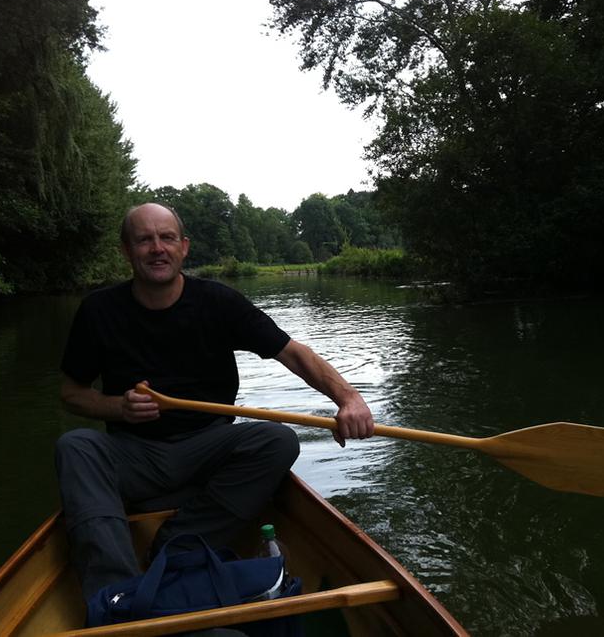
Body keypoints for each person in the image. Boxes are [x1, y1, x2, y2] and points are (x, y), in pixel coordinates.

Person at [56, 201, 374, 601]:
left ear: (184, 247)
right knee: (76, 447)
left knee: (277, 440)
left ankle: (177, 545)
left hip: (208, 448)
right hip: (133, 453)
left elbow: (292, 352)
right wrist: (117, 407)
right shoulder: (99, 311)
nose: (157, 248)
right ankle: (116, 596)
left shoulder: (218, 302)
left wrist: (348, 399)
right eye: (144, 239)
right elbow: (72, 394)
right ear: (126, 250)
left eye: (167, 238)